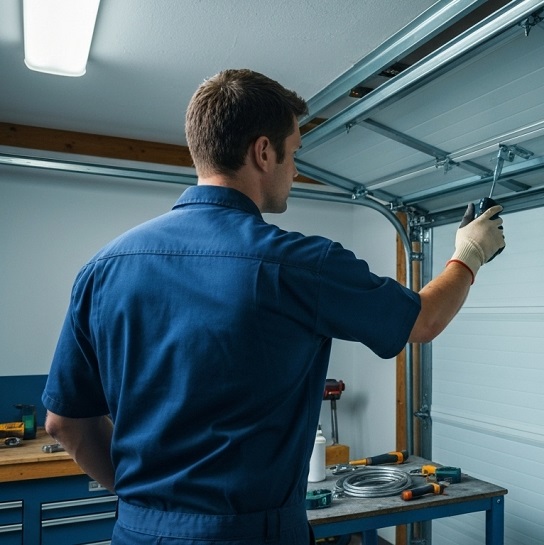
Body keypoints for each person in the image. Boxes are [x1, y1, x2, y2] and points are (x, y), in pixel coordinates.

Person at [42, 68, 505, 544]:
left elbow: (64, 422)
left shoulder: (103, 269)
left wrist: (151, 506)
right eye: (295, 153)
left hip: (138, 532)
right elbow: (423, 319)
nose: (296, 171)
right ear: (264, 152)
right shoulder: (299, 264)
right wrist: (469, 254)